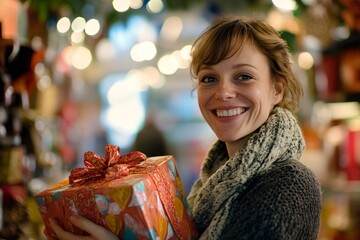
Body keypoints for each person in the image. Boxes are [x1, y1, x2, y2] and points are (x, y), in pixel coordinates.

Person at [49, 16, 322, 240]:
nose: (223, 92)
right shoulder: (211, 182)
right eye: (209, 78)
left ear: (277, 88)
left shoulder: (291, 183)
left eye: (243, 76)